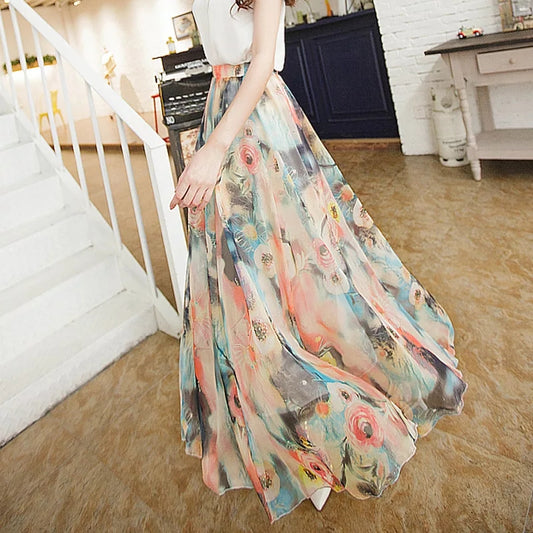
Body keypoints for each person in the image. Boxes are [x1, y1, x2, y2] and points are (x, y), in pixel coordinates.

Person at [169, 0, 468, 524]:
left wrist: (214, 148)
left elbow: (262, 61)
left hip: (256, 115)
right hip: (222, 107)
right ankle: (275, 412)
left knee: (303, 260)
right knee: (240, 271)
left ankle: (315, 415)